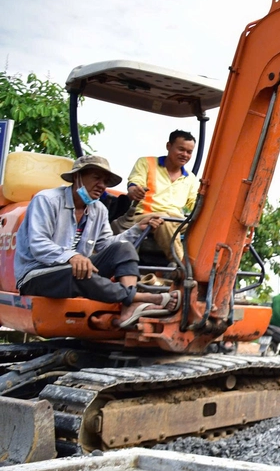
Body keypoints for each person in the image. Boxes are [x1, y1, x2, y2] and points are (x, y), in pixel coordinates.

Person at [14, 155, 178, 328]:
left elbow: (106, 245)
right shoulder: (47, 200)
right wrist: (72, 257)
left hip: (76, 268)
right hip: (37, 274)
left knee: (123, 248)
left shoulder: (98, 208)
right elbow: (38, 244)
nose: (102, 185)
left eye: (105, 181)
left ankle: (129, 307)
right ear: (77, 177)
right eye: (96, 178)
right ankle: (139, 297)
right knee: (78, 272)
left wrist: (137, 229)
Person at [117, 130, 199, 261]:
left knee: (205, 226)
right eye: (181, 149)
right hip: (145, 216)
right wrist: (134, 190)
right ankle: (182, 266)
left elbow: (195, 203)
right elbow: (135, 183)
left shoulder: (191, 178)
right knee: (163, 220)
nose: (185, 155)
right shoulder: (146, 163)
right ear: (168, 146)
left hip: (176, 220)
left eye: (189, 152)